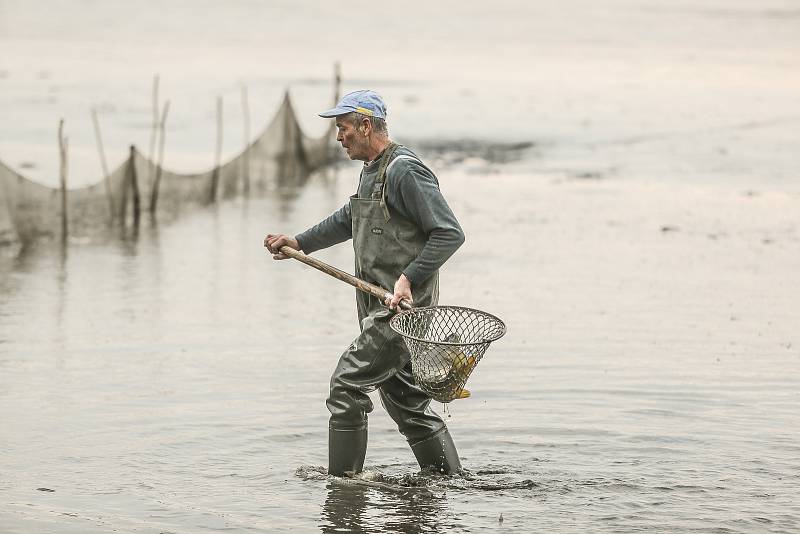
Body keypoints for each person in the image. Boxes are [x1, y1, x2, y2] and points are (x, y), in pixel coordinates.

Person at [264, 90, 465, 476]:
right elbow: (348, 218)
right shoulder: (373, 168)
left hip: (401, 312)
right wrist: (300, 242)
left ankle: (343, 486)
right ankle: (449, 481)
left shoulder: (405, 170)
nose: (338, 137)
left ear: (365, 125)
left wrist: (408, 278)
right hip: (376, 306)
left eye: (342, 128)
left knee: (346, 385)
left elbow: (449, 233)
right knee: (406, 402)